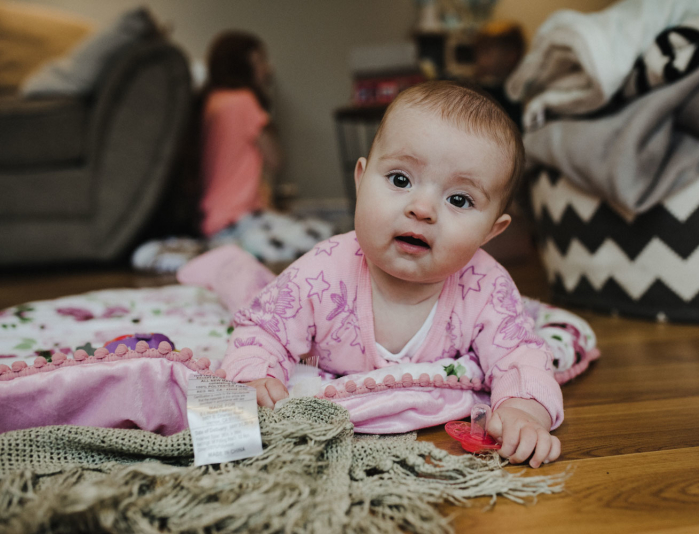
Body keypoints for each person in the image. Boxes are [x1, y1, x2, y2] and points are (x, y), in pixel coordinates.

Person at [186, 81, 563, 468]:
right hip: (296, 311)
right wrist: (255, 376)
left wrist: (525, 411)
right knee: (255, 294)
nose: (422, 209)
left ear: (490, 232)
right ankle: (228, 264)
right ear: (361, 180)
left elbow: (519, 355)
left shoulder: (487, 286)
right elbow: (262, 330)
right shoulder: (324, 269)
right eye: (401, 180)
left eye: (459, 200)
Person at [199, 30, 281, 238]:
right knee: (325, 238)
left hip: (210, 219)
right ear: (244, 66)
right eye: (261, 61)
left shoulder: (209, 101)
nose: (267, 69)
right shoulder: (244, 101)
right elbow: (275, 159)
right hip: (242, 218)